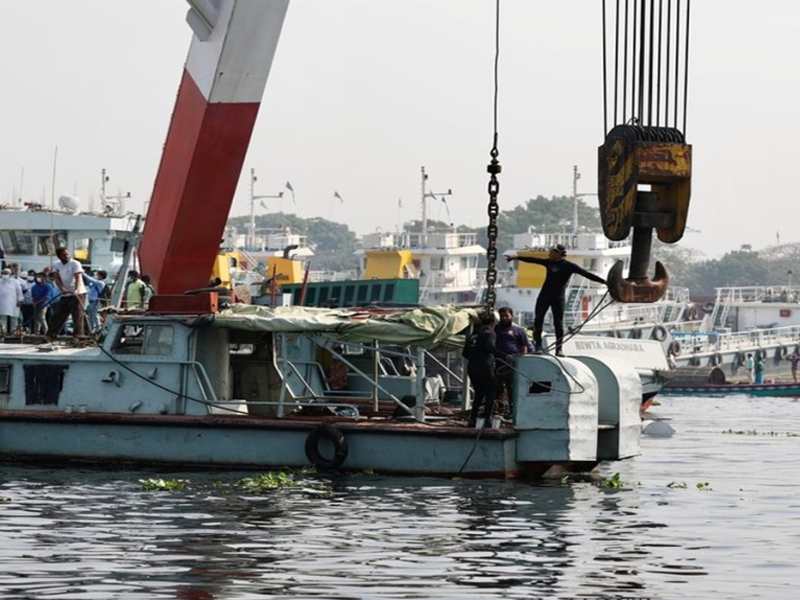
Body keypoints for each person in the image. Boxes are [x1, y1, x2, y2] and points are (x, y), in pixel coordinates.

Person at [506, 244, 607, 356]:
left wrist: (604, 282)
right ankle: (538, 346)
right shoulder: (549, 262)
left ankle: (559, 349)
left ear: (558, 253)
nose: (549, 254)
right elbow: (533, 260)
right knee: (538, 320)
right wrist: (516, 258)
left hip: (558, 298)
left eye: (551, 252)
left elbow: (586, 274)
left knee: (558, 323)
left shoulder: (569, 266)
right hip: (544, 296)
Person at [462, 312, 509, 429]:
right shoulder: (490, 334)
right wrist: (505, 356)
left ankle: (472, 419)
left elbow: (465, 353)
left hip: (472, 367)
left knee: (478, 394)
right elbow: (490, 347)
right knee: (490, 393)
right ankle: (487, 419)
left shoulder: (473, 335)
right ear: (492, 324)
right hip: (485, 367)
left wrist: (475, 357)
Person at [494, 306, 534, 416]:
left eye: (506, 316)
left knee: (511, 387)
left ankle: (513, 410)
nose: (504, 318)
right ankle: (499, 409)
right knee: (497, 388)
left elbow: (523, 346)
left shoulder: (518, 330)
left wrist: (520, 359)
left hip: (512, 363)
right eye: (502, 316)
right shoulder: (495, 329)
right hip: (497, 362)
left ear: (512, 316)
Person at [46, 247, 87, 341]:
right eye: (64, 255)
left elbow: (78, 277)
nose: (66, 256)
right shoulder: (57, 264)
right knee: (59, 314)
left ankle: (78, 335)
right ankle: (51, 334)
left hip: (78, 293)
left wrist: (76, 289)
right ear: (59, 256)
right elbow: (57, 278)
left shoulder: (75, 263)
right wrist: (62, 289)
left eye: (67, 254)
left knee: (77, 314)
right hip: (65, 293)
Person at [0, 267, 24, 335]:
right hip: (2, 303)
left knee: (14, 319)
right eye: (3, 273)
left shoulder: (15, 282)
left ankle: (14, 333)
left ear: (10, 274)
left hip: (14, 303)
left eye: (6, 273)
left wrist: (20, 300)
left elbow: (19, 292)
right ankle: (3, 333)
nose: (4, 275)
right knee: (2, 319)